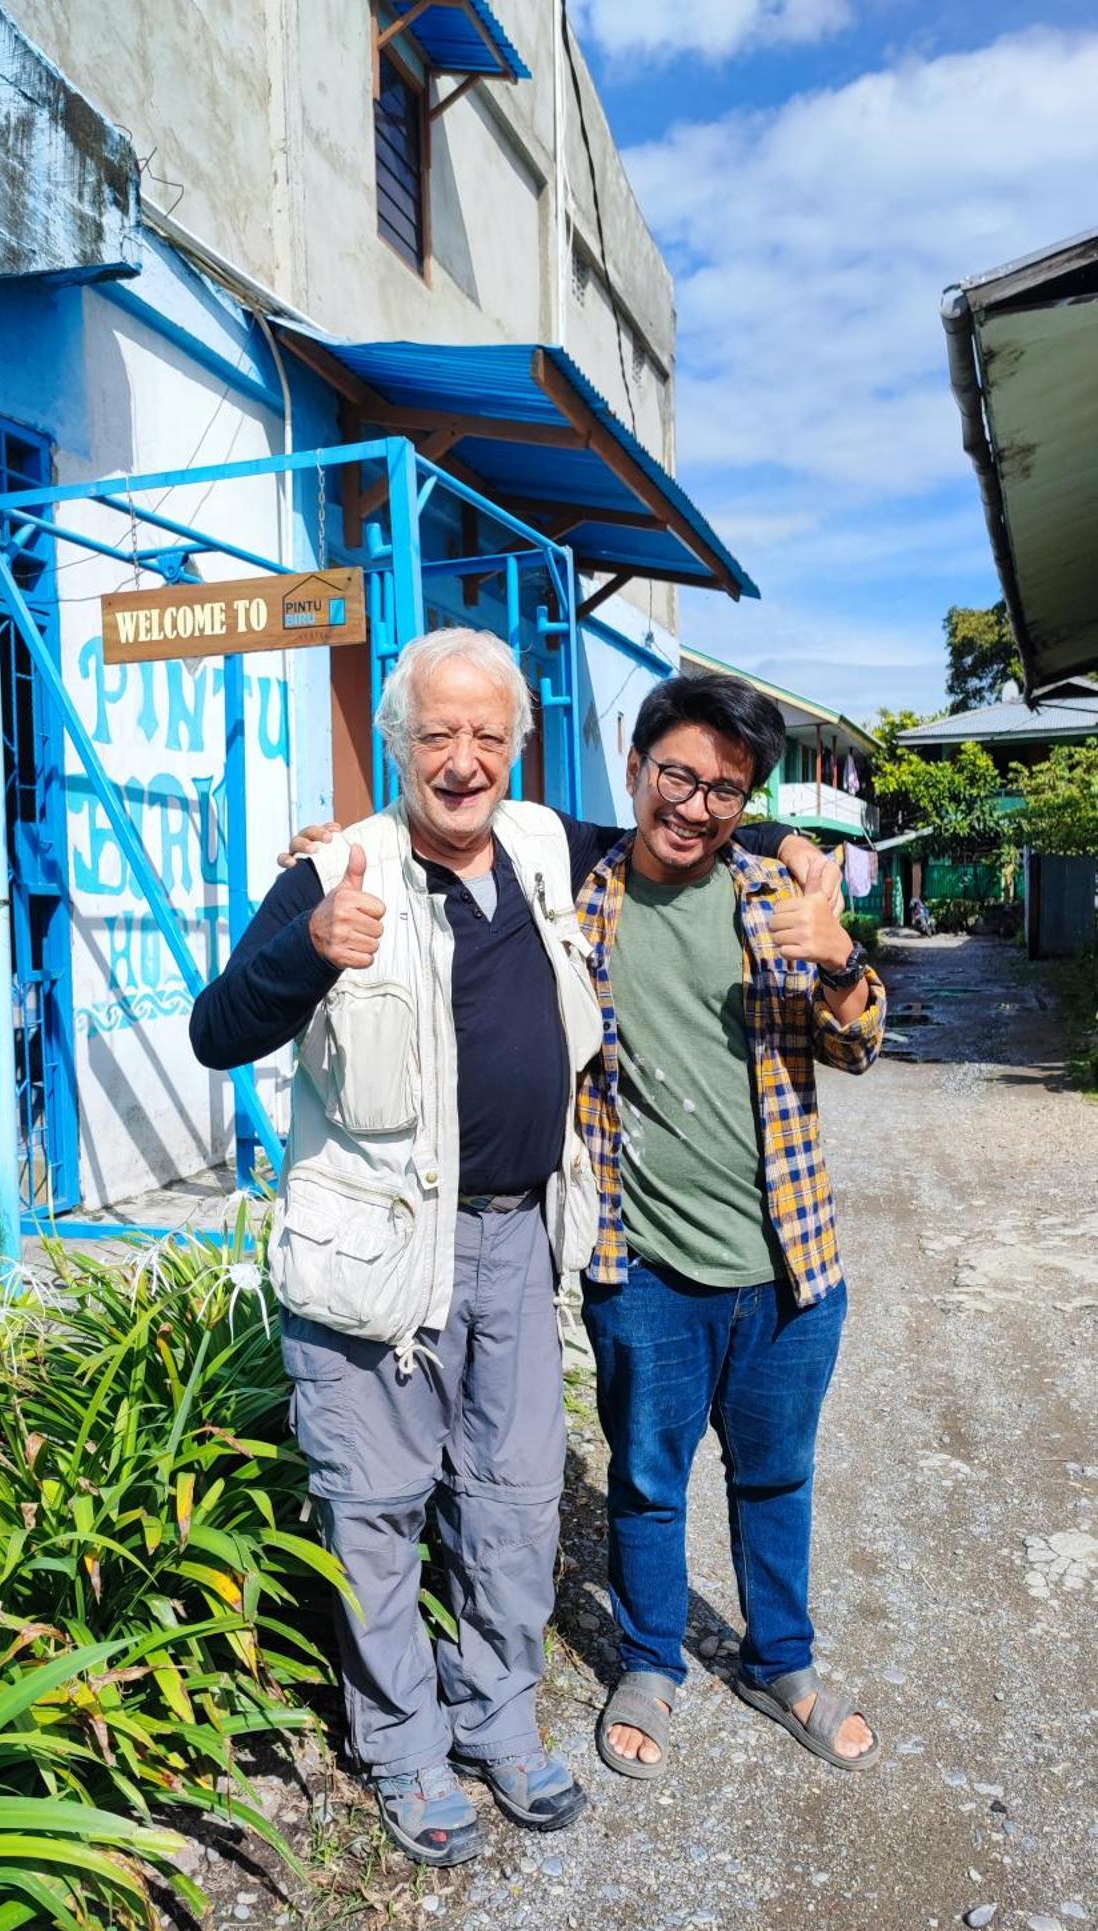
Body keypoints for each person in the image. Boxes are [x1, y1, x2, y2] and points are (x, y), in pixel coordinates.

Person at [201, 628, 831, 1867]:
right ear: (398, 745)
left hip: (520, 1245)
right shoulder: (342, 870)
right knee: (376, 1516)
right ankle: (405, 1751)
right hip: (383, 1261)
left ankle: (496, 1720)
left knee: (514, 1503)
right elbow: (218, 1027)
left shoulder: (544, 843)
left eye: (488, 734)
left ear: (520, 749)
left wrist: (800, 848)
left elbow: (689, 821)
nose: (463, 758)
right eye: (437, 733)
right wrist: (304, 947)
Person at [575, 672, 886, 1780]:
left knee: (774, 1473)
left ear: (746, 798)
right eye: (680, 775)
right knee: (649, 1477)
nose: (697, 804)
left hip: (789, 1266)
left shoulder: (773, 893)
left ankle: (780, 1660)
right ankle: (653, 1660)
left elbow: (856, 1045)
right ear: (637, 763)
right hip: (644, 1265)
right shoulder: (580, 896)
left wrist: (842, 956)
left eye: (725, 788)